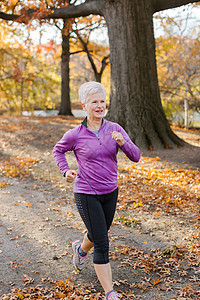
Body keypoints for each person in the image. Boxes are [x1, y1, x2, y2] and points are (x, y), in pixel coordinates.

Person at [53, 82, 140, 300]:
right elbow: (58, 150)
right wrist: (65, 171)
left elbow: (136, 156)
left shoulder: (115, 129)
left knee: (97, 233)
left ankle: (80, 250)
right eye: (95, 102)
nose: (100, 106)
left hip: (110, 191)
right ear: (85, 106)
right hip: (86, 192)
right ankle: (110, 293)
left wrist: (124, 144)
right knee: (102, 241)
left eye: (102, 101)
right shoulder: (76, 134)